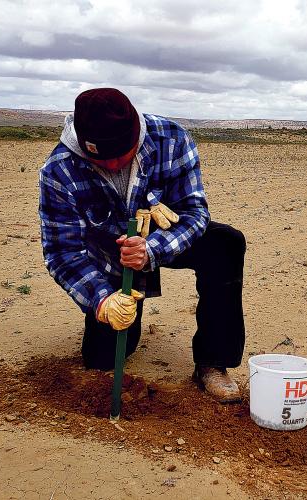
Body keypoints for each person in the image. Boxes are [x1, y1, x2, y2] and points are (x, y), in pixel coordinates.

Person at [39, 88, 246, 403]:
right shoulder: (59, 170)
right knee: (102, 360)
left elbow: (194, 212)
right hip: (110, 257)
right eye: (100, 159)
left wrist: (152, 249)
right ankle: (122, 318)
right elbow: (61, 252)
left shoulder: (172, 140)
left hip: (167, 239)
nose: (111, 165)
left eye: (120, 156)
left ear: (136, 134)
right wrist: (102, 300)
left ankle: (213, 362)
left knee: (225, 244)